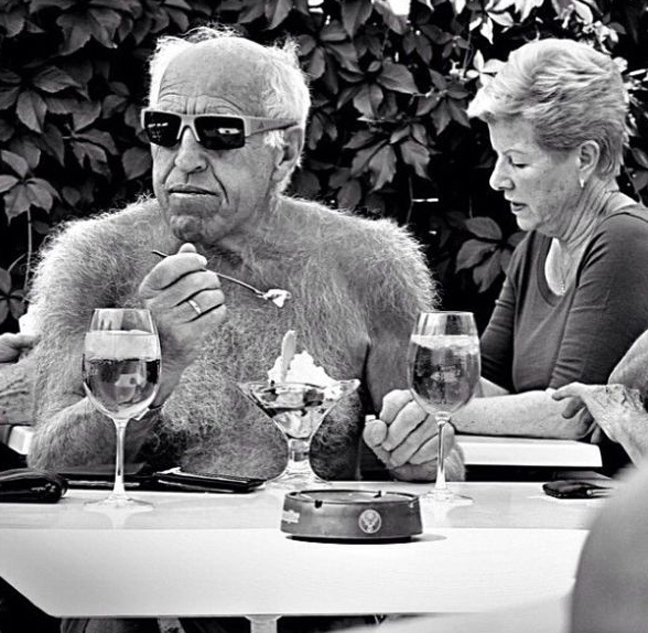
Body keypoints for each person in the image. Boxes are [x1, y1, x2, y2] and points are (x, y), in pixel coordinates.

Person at [371, 37, 648, 473]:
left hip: (604, 505)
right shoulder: (538, 243)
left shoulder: (627, 240)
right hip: (536, 494)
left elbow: (571, 414)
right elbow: (487, 387)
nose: (497, 179)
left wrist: (436, 410)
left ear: (585, 158)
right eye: (499, 157)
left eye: (517, 162)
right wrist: (414, 402)